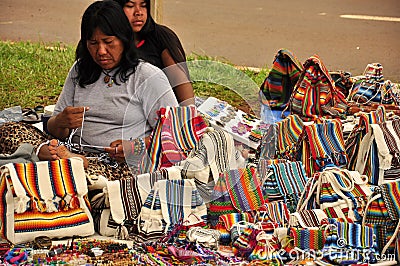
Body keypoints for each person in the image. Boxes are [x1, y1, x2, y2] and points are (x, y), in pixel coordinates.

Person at [0, 0, 178, 180]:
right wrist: (61, 121)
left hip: (114, 165)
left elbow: (177, 132)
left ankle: (52, 162)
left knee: (82, 178)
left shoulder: (147, 76)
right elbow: (54, 130)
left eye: (108, 42)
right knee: (9, 130)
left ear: (124, 39)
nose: (101, 51)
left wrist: (136, 147)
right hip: (71, 150)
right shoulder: (81, 69)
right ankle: (53, 157)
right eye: (93, 43)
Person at [113, 0, 195, 106]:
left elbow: (179, 81)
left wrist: (189, 115)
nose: (138, 12)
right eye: (130, 6)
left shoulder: (161, 37)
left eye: (144, 6)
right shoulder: (107, 39)